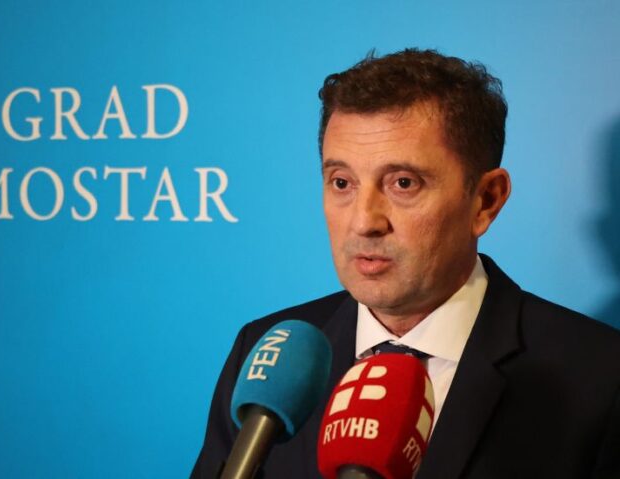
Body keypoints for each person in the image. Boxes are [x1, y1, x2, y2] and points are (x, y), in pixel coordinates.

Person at [191, 49, 620, 479]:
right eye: (341, 182)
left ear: (485, 201)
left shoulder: (601, 375)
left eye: (403, 183)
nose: (364, 222)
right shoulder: (266, 361)